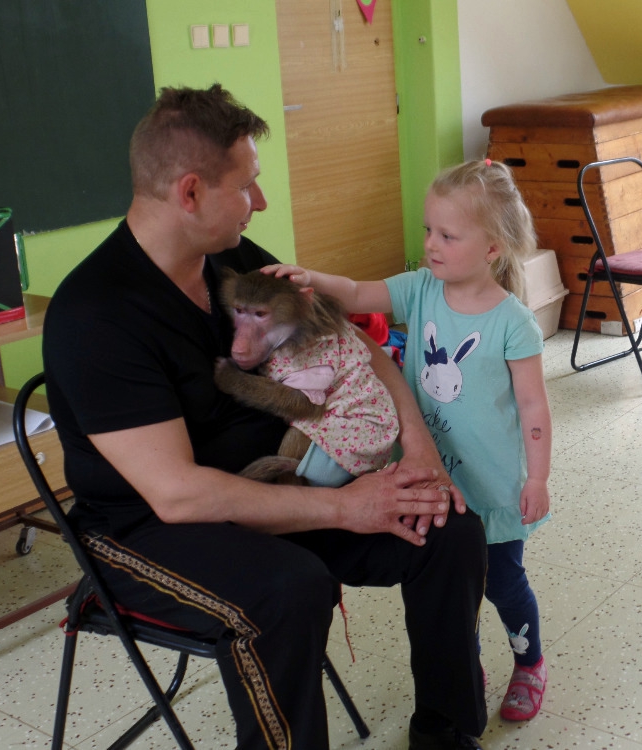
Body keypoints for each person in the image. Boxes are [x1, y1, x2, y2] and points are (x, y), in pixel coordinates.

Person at [42, 84, 489, 750]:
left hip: (280, 478)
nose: (262, 202)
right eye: (247, 185)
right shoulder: (96, 315)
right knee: (288, 590)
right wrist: (348, 508)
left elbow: (356, 347)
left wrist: (418, 449)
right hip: (142, 530)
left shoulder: (234, 260)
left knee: (447, 525)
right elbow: (177, 495)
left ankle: (445, 732)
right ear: (190, 193)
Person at [271, 158, 553, 722]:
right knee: (453, 589)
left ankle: (530, 661)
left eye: (448, 235)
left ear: (493, 248)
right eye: (429, 230)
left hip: (492, 487)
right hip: (429, 483)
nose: (430, 244)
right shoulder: (420, 289)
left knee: (502, 582)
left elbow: (533, 407)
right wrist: (310, 279)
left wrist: (539, 478)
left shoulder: (512, 322)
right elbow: (357, 292)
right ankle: (466, 663)